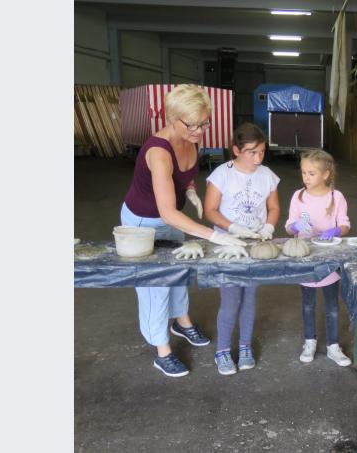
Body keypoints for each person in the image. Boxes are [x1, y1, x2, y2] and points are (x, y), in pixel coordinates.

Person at [120, 84, 245, 377]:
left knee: (178, 273)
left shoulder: (192, 139)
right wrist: (215, 235)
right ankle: (162, 350)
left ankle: (182, 322)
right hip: (144, 222)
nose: (200, 131)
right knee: (155, 286)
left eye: (204, 123)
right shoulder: (158, 152)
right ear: (171, 117)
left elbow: (184, 175)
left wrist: (189, 190)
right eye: (193, 125)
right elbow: (166, 212)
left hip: (173, 217)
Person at [203, 123, 280, 375]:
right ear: (236, 150)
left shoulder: (267, 174)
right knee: (231, 300)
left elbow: (274, 207)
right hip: (230, 246)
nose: (258, 158)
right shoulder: (222, 174)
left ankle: (245, 345)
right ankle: (222, 350)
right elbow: (210, 210)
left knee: (250, 298)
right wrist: (232, 227)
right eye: (252, 152)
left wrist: (269, 227)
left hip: (257, 244)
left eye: (262, 152)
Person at [285, 149, 352, 366]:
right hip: (306, 257)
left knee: (332, 305)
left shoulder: (336, 197)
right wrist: (294, 226)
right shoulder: (299, 196)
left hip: (329, 258)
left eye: (311, 173)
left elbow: (345, 224)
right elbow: (289, 226)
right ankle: (310, 342)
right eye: (303, 172)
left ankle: (333, 346)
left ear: (325, 174)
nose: (306, 178)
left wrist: (336, 231)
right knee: (308, 304)